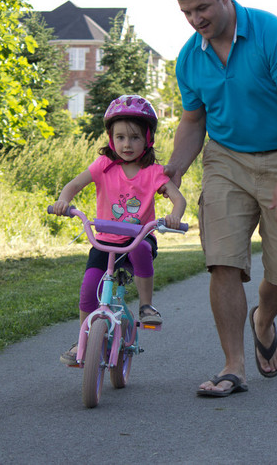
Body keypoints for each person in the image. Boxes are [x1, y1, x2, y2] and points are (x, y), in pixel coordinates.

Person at [164, 0, 277, 396]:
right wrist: (175, 168)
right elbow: (193, 121)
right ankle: (234, 366)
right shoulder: (189, 58)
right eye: (186, 12)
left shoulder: (271, 34)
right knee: (222, 261)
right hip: (225, 159)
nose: (195, 19)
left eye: (202, 8)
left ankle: (263, 319)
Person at [53, 95, 186, 365]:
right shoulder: (104, 166)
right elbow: (74, 185)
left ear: (148, 139)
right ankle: (85, 338)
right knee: (89, 288)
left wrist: (173, 216)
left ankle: (146, 305)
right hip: (104, 241)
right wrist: (64, 201)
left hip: (138, 238)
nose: (127, 144)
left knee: (139, 248)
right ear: (111, 138)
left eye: (135, 137)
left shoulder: (153, 172)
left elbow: (178, 199)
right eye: (121, 137)